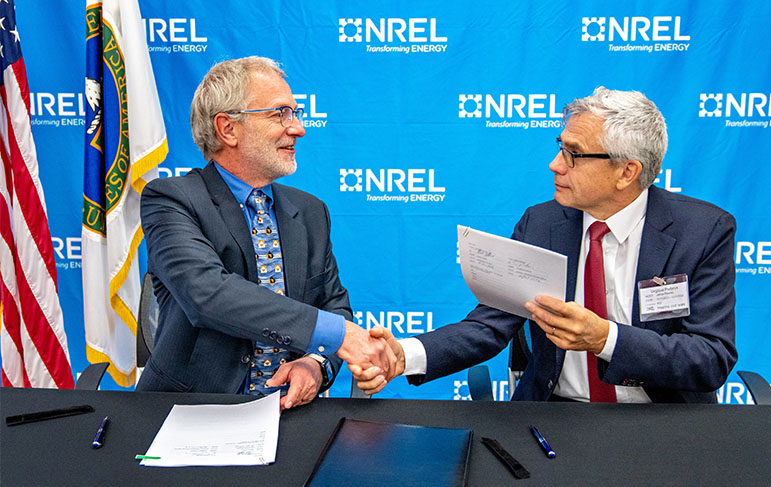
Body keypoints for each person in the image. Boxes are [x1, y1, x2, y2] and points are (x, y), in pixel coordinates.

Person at [355, 87, 737, 403]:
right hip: (554, 412)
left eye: (573, 154)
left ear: (626, 172)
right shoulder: (541, 223)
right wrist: (404, 356)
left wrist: (605, 339)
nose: (555, 165)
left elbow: (710, 357)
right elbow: (489, 325)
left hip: (663, 421)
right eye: (560, 147)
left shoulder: (702, 230)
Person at [136, 56, 394, 409]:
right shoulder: (171, 199)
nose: (298, 128)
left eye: (296, 113)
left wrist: (316, 364)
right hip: (188, 412)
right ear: (228, 129)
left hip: (288, 414)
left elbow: (334, 306)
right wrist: (339, 336)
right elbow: (208, 294)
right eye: (280, 114)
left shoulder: (310, 210)